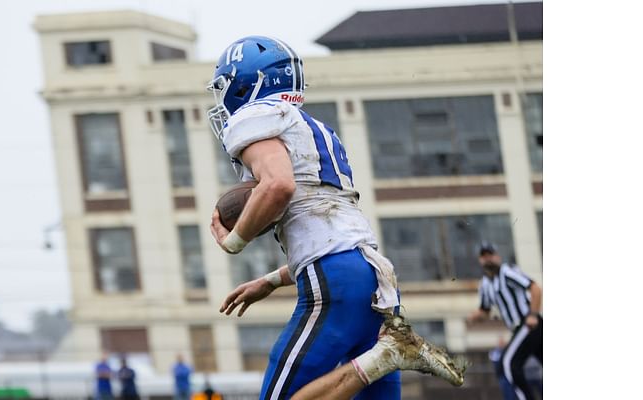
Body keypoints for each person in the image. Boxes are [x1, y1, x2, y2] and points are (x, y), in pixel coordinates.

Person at [207, 36, 465, 400]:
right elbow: (336, 235)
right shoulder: (317, 131)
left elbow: (279, 186)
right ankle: (387, 354)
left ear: (248, 83)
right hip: (374, 278)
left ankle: (386, 355)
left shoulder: (256, 117)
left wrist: (235, 241)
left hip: (334, 283)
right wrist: (271, 280)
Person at [467, 241, 543, 400]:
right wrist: (476, 316)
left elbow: (535, 289)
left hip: (528, 324)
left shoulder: (507, 272)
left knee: (508, 363)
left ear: (497, 256)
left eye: (490, 255)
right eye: (484, 256)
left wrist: (533, 315)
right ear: (480, 260)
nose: (488, 259)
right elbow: (485, 311)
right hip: (519, 329)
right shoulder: (485, 284)